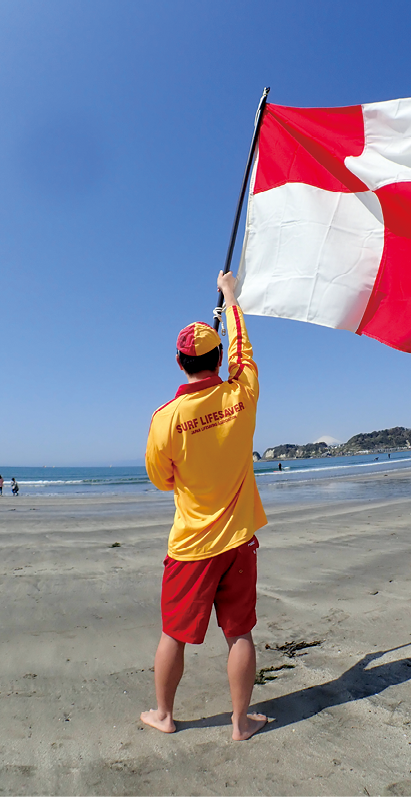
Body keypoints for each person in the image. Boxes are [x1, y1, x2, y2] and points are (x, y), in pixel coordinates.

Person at [141, 271, 268, 740]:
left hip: (192, 545)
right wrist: (232, 299)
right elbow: (244, 352)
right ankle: (240, 723)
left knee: (174, 633)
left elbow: (160, 479)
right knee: (239, 634)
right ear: (218, 359)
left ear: (179, 362)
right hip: (237, 541)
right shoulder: (242, 394)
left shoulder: (165, 419)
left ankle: (165, 715)